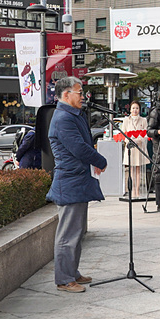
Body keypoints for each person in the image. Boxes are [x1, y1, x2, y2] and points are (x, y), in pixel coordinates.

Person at [46, 76, 107, 293]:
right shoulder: (63, 118)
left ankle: (72, 272)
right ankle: (64, 279)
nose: (83, 96)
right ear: (66, 94)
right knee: (67, 235)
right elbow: (79, 147)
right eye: (79, 93)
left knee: (77, 232)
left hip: (78, 180)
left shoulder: (73, 114)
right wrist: (100, 160)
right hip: (70, 181)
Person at [120, 101, 149, 198]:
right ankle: (132, 190)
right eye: (133, 108)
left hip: (139, 147)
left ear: (139, 109)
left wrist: (138, 140)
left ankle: (137, 190)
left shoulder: (143, 120)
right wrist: (129, 141)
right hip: (130, 148)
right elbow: (123, 134)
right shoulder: (126, 120)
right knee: (131, 170)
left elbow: (145, 134)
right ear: (130, 109)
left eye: (137, 108)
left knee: (138, 170)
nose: (135, 110)